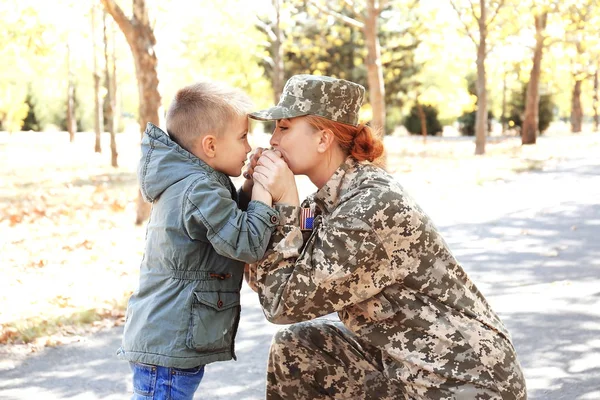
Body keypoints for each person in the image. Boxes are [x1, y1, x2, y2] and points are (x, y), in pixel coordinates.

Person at [243, 74, 527, 399]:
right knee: (297, 348)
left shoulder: (367, 209)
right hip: (408, 370)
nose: (273, 139)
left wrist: (286, 204)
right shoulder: (330, 199)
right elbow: (268, 278)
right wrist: (256, 195)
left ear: (323, 139)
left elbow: (282, 304)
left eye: (284, 127)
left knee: (293, 335)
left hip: (461, 379)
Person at [117, 81, 281, 400]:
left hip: (167, 342)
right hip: (168, 345)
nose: (248, 147)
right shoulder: (199, 189)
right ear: (210, 145)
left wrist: (248, 186)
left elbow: (228, 224)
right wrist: (263, 196)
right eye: (242, 137)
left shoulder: (199, 184)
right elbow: (246, 241)